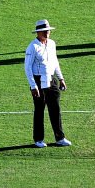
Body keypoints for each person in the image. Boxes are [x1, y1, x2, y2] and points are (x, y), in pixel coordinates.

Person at [24, 19, 71, 148]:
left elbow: (55, 61)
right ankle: (38, 139)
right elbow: (27, 67)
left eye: (48, 30)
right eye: (44, 31)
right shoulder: (32, 47)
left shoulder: (51, 44)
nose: (47, 33)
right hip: (38, 81)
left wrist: (61, 79)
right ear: (38, 32)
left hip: (51, 79)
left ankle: (60, 138)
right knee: (39, 109)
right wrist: (33, 86)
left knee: (55, 108)